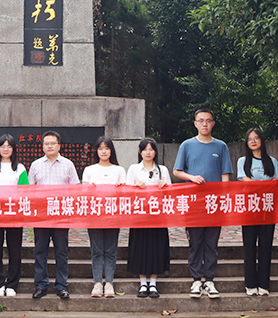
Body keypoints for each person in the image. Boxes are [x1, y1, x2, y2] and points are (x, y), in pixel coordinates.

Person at [173, 106, 233, 299]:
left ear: (213, 124)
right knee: (195, 241)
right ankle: (196, 280)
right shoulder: (187, 145)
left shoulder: (221, 146)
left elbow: (225, 175)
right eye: (201, 120)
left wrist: (224, 199)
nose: (204, 124)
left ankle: (210, 280)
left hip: (214, 203)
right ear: (195, 123)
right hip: (193, 203)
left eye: (208, 121)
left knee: (211, 242)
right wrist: (191, 178)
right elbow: (177, 171)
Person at [28, 130, 79, 300]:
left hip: (61, 215)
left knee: (61, 252)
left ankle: (61, 285)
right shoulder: (35, 165)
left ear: (59, 145)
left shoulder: (68, 165)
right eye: (46, 143)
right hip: (41, 216)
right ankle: (41, 285)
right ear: (42, 146)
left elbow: (76, 190)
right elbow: (29, 190)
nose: (49, 146)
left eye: (52, 143)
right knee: (40, 251)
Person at [237, 127, 278, 297]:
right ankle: (250, 284)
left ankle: (264, 284)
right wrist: (267, 184)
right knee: (249, 247)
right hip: (249, 209)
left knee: (266, 247)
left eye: (256, 138)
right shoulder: (242, 161)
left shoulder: (272, 161)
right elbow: (246, 182)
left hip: (268, 209)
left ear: (262, 141)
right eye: (250, 139)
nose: (253, 141)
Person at [126, 137, 171, 299]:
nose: (148, 152)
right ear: (140, 152)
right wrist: (136, 187)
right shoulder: (133, 169)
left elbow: (170, 192)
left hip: (158, 216)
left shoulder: (163, 170)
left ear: (155, 152)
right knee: (140, 248)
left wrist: (164, 186)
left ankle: (153, 284)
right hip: (139, 216)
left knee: (156, 248)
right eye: (145, 150)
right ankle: (142, 283)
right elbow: (126, 192)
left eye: (151, 149)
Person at [0, 134, 28, 297]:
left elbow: (24, 190)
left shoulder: (20, 168)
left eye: (9, 146)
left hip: (14, 213)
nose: (6, 149)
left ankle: (12, 284)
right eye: (3, 146)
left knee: (14, 249)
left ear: (14, 149)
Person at [82, 136, 126, 298]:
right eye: (100, 148)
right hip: (94, 215)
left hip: (113, 215)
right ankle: (97, 283)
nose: (103, 151)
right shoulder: (89, 170)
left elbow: (125, 194)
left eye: (106, 148)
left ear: (111, 150)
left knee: (110, 250)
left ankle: (109, 283)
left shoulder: (119, 170)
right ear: (96, 151)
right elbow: (84, 192)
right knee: (97, 250)